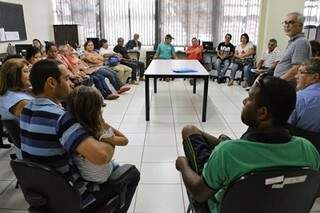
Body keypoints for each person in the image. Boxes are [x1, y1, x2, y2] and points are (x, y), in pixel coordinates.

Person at [176, 75, 320, 213]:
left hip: (224, 206)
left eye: (250, 98)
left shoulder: (228, 153)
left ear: (262, 113)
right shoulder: (308, 149)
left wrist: (183, 164)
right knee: (217, 137)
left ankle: (193, 134)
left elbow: (199, 194)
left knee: (189, 131)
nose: (244, 101)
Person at [20, 59, 140, 212]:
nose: (70, 83)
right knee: (132, 174)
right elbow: (102, 156)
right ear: (51, 82)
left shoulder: (26, 110)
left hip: (43, 194)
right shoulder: (60, 118)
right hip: (72, 196)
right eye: (66, 79)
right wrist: (108, 138)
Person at [65, 85, 128, 183]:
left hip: (84, 174)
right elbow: (124, 140)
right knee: (131, 172)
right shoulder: (98, 130)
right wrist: (110, 140)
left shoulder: (72, 127)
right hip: (100, 177)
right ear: (95, 109)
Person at [46, 43, 120, 100]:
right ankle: (94, 99)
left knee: (100, 77)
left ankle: (104, 95)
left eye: (55, 51)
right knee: (93, 78)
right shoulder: (50, 62)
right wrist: (73, 77)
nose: (54, 53)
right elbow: (64, 72)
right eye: (51, 52)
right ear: (46, 52)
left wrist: (78, 73)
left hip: (79, 72)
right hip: (69, 78)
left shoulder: (62, 58)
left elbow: (71, 68)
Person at [0, 58, 33, 149]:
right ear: (14, 76)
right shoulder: (20, 102)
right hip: (36, 148)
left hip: (28, 145)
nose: (30, 75)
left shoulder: (8, 94)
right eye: (26, 71)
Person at [274, 12, 312, 85]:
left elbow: (297, 68)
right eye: (285, 22)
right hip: (283, 84)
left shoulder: (301, 42)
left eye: (291, 22)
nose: (286, 26)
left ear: (300, 25)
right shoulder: (294, 41)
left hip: (287, 85)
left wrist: (278, 82)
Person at [288, 58, 320, 133]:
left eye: (301, 73)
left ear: (315, 77)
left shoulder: (299, 98)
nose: (296, 76)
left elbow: (286, 126)